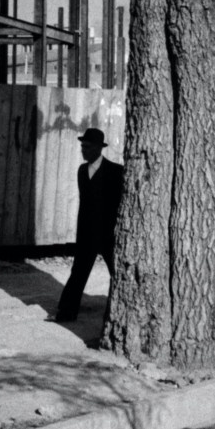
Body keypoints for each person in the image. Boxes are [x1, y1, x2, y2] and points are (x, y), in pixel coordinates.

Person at [55, 127, 124, 322]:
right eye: (82, 146)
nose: (83, 150)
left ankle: (119, 314)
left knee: (118, 274)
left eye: (87, 147)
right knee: (78, 272)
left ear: (98, 148)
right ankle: (66, 313)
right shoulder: (82, 171)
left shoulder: (116, 171)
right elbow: (85, 205)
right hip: (87, 233)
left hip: (108, 234)